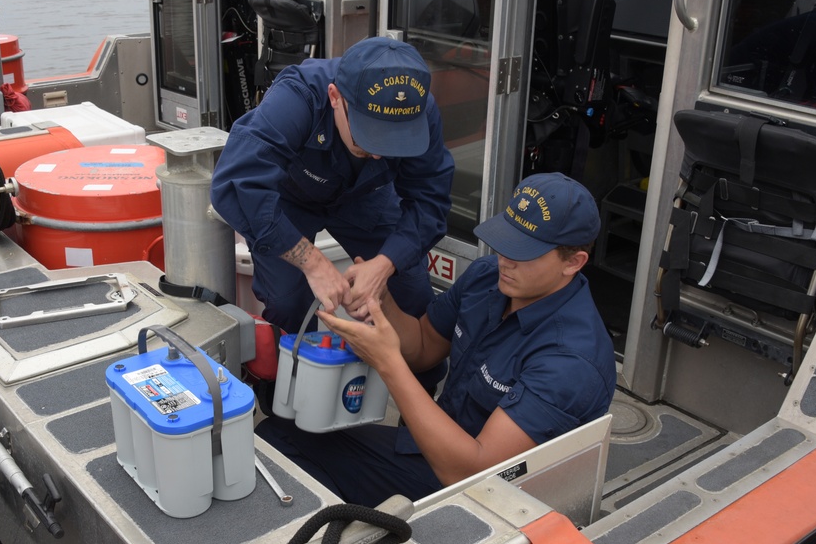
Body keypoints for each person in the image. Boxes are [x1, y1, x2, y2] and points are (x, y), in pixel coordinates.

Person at [255, 172, 617, 507]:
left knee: (287, 452)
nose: (506, 259)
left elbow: (475, 475)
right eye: (505, 241)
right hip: (431, 449)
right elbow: (425, 345)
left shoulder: (572, 360)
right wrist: (380, 300)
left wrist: (386, 361)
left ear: (574, 262)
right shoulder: (487, 277)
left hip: (481, 499)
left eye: (524, 252)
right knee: (280, 434)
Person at [210, 37, 455, 340]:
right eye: (369, 136)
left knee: (413, 292)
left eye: (394, 141)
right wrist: (313, 264)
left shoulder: (419, 109)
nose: (379, 154)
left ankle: (419, 384)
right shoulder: (297, 97)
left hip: (367, 195)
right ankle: (291, 382)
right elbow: (236, 183)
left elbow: (430, 198)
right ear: (335, 97)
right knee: (287, 303)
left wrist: (383, 265)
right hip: (290, 201)